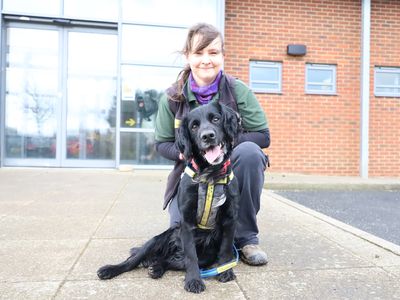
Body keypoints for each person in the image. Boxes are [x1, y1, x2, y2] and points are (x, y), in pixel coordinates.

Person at [154, 23, 270, 266]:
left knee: (251, 153)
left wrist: (223, 144)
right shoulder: (173, 97)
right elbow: (162, 144)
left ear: (223, 56)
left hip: (227, 169)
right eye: (198, 53)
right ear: (188, 56)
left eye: (213, 53)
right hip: (191, 174)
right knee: (180, 236)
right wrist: (190, 154)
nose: (206, 60)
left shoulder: (238, 90)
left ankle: (245, 237)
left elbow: (262, 135)